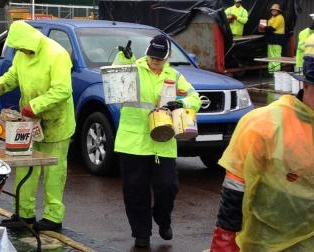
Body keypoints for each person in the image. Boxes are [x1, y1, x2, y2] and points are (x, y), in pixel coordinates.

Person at [209, 35, 314, 252]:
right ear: (304, 83)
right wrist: (225, 239)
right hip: (266, 242)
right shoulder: (264, 124)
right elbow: (235, 186)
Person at [0, 20, 75, 232]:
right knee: (24, 167)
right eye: (18, 49)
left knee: (54, 174)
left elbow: (63, 90)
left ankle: (53, 218)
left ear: (31, 41)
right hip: (28, 122)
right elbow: (13, 75)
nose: (21, 51)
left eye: (22, 48)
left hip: (55, 123)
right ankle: (23, 214)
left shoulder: (57, 54)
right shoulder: (22, 54)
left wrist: (36, 106)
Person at [114, 34, 201, 248]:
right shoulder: (133, 68)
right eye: (152, 57)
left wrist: (179, 102)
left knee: (168, 187)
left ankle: (162, 219)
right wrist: (122, 59)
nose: (155, 61)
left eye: (159, 58)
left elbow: (195, 98)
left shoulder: (174, 75)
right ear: (147, 53)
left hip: (162, 141)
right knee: (135, 191)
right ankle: (141, 233)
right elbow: (115, 84)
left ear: (167, 57)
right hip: (133, 142)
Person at [265, 3, 285, 73]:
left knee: (276, 55)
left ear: (278, 11)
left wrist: (264, 27)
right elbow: (269, 27)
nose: (273, 11)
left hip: (277, 39)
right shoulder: (272, 18)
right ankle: (271, 71)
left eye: (274, 10)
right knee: (270, 55)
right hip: (271, 38)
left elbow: (273, 28)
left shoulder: (280, 17)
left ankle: (276, 71)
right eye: (272, 10)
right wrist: (265, 27)